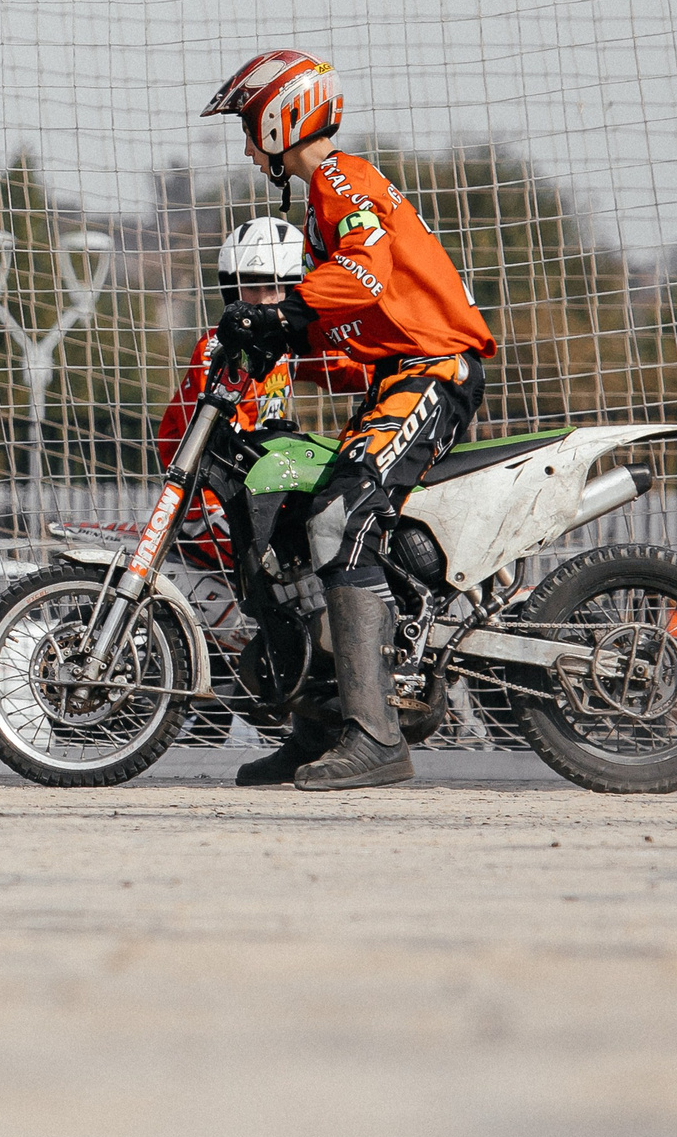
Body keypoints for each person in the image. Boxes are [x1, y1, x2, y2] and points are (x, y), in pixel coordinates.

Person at [202, 49, 496, 791]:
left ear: (280, 116)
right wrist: (280, 334)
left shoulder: (341, 178)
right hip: (402, 370)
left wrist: (286, 312)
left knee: (342, 515)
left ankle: (375, 735)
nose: (245, 144)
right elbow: (362, 312)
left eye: (248, 124)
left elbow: (363, 272)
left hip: (434, 367)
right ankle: (320, 729)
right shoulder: (325, 194)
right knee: (307, 529)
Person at [153, 216, 370, 572]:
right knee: (301, 570)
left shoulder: (285, 349)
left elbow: (347, 369)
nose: (265, 300)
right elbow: (224, 446)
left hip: (259, 491)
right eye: (252, 287)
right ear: (231, 291)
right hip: (207, 502)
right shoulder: (218, 350)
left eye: (277, 287)